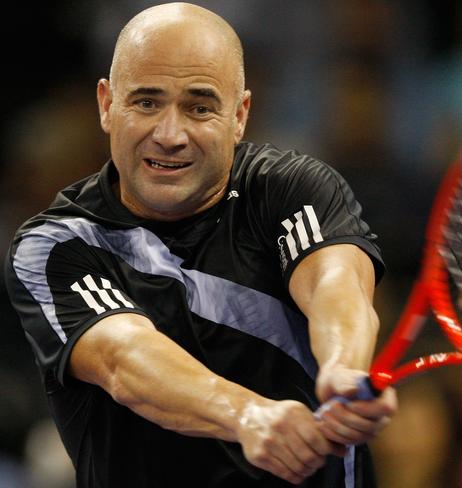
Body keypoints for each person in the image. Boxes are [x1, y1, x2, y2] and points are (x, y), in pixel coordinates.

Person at [4, 3, 397, 487]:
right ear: (107, 105)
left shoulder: (288, 188)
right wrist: (248, 415)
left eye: (199, 107)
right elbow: (123, 358)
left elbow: (335, 285)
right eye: (146, 102)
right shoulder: (55, 245)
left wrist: (342, 367)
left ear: (239, 116)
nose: (170, 135)